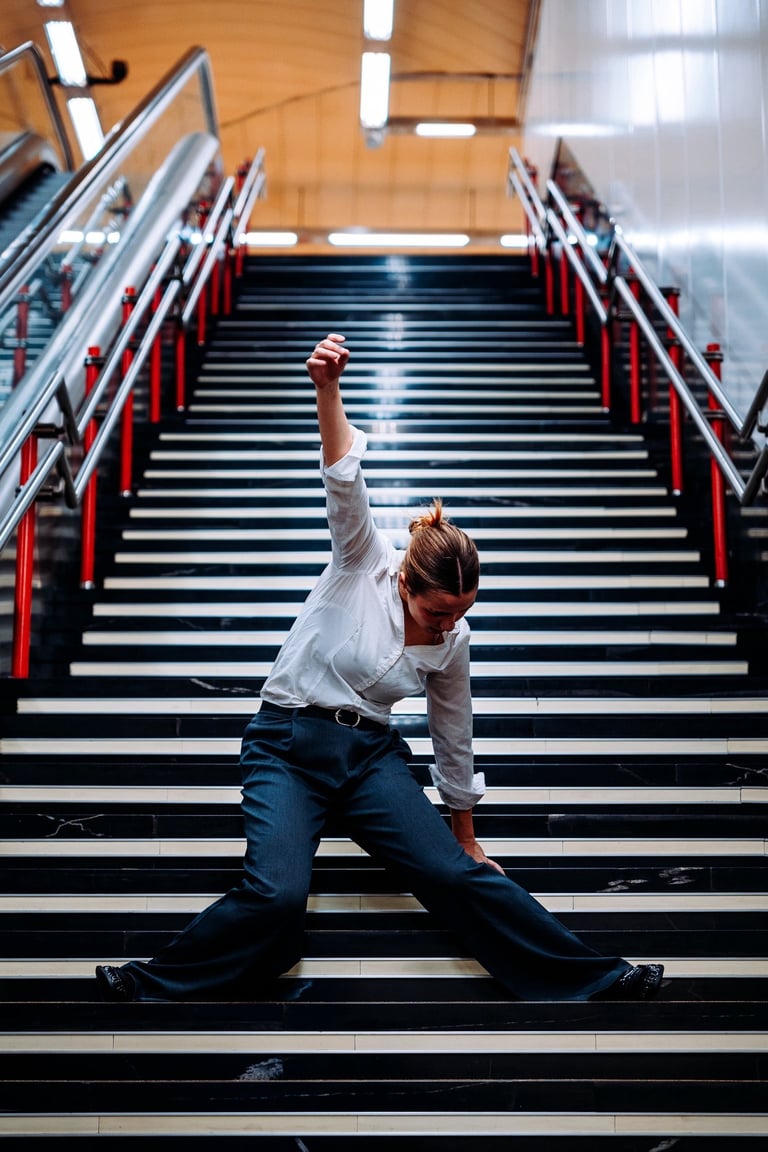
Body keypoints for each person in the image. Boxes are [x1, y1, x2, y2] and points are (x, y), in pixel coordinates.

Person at [96, 333, 664, 1004]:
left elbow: (453, 734)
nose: (448, 624)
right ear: (405, 583)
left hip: (369, 758)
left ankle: (596, 977)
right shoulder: (362, 561)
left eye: (462, 612)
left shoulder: (454, 638)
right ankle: (156, 981)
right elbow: (344, 479)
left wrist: (465, 837)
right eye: (437, 611)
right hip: (286, 746)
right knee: (276, 895)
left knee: (455, 876)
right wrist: (327, 388)